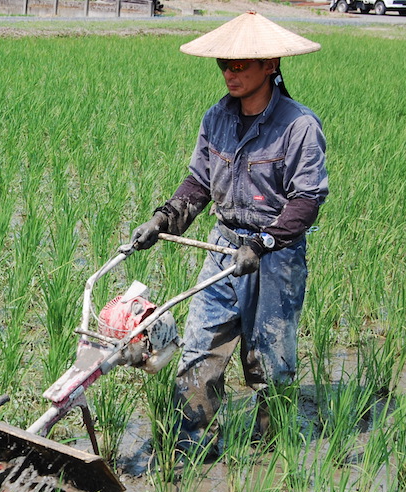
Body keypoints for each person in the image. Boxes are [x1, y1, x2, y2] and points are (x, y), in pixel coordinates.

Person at [130, 12, 328, 456]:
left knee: (270, 362)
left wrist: (261, 244)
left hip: (274, 258)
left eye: (241, 65)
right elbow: (199, 183)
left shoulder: (298, 126)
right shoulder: (216, 118)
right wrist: (163, 220)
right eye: (225, 64)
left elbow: (306, 201)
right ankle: (188, 445)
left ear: (270, 64)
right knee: (199, 349)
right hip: (222, 250)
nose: (230, 73)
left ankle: (271, 453)